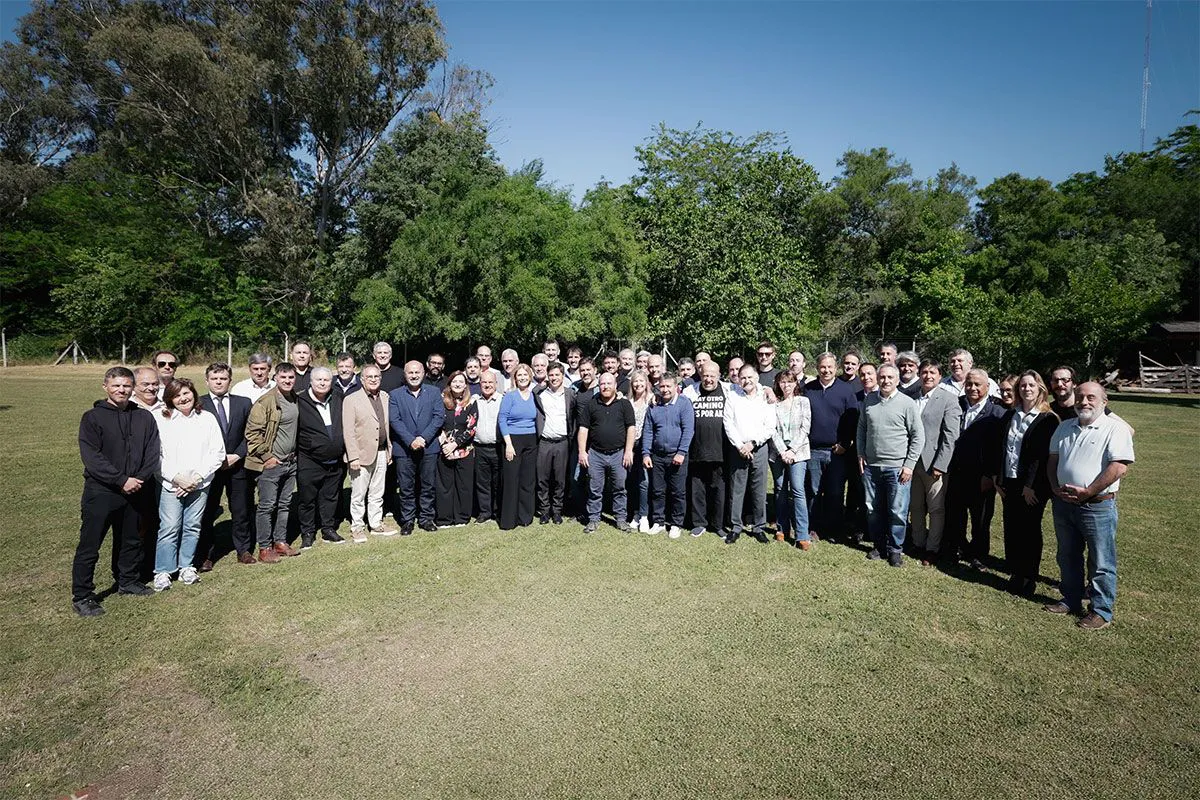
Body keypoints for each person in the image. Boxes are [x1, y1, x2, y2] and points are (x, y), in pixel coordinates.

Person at [71, 367, 160, 616]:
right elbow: (92, 457)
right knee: (91, 544)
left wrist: (138, 478)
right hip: (102, 491)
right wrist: (121, 480)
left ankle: (127, 580)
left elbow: (152, 451)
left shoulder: (144, 417)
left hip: (136, 489)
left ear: (133, 388)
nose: (121, 390)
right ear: (105, 387)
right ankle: (82, 595)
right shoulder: (92, 418)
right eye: (116, 385)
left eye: (126, 386)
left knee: (130, 539)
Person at [1045, 382, 1134, 630]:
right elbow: (1052, 460)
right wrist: (1054, 487)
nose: (1084, 402)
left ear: (1104, 402)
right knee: (1067, 555)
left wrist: (1088, 491)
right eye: (1080, 397)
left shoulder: (1115, 429)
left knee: (1101, 561)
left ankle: (1100, 611)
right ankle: (1070, 600)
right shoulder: (1064, 427)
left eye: (1091, 397)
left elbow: (1119, 467)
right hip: (1064, 503)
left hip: (1097, 506)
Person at [152, 378, 226, 591]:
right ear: (169, 399)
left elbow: (217, 452)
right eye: (177, 395)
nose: (183, 398)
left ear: (194, 393)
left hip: (199, 484)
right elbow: (156, 456)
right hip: (170, 484)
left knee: (192, 526)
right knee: (170, 527)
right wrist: (177, 478)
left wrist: (197, 478)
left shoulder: (207, 418)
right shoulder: (161, 419)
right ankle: (163, 570)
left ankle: (186, 566)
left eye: (186, 393)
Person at [993, 370, 1058, 597]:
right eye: (1022, 385)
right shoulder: (1011, 415)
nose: (1026, 389)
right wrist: (998, 479)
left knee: (1029, 530)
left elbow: (1041, 457)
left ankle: (1029, 575)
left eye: (1031, 385)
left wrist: (1030, 486)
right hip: (1009, 481)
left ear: (1040, 388)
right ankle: (1016, 573)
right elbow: (1001, 448)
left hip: (1032, 486)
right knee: (1011, 527)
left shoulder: (1047, 419)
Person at [857, 364, 923, 566]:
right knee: (872, 509)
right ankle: (879, 546)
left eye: (890, 377)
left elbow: (918, 436)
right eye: (882, 377)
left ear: (897, 379)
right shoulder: (869, 400)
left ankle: (895, 549)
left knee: (897, 511)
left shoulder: (907, 403)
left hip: (897, 468)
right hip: (871, 467)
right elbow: (861, 429)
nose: (885, 381)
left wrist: (909, 465)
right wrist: (860, 453)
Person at [943, 368, 1006, 569]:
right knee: (955, 514)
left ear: (987, 386)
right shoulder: (956, 404)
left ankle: (978, 555)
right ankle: (957, 548)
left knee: (980, 518)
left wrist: (990, 475)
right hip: (957, 471)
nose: (972, 388)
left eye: (977, 384)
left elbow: (999, 449)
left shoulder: (998, 413)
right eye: (969, 384)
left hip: (982, 476)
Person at [197, 362, 255, 569]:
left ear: (230, 381)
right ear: (207, 381)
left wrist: (237, 455)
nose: (219, 382)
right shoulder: (198, 404)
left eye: (223, 379)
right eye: (214, 379)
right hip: (210, 468)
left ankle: (243, 550)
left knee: (241, 510)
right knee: (207, 511)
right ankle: (206, 554)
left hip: (237, 466)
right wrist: (216, 459)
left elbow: (251, 433)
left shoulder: (243, 403)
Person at [245, 363, 302, 563]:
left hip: (290, 461)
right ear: (275, 378)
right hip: (272, 463)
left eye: (291, 377)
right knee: (267, 506)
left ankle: (280, 541)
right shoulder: (265, 402)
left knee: (285, 504)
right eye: (283, 377)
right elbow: (252, 434)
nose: (287, 381)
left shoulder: (295, 398)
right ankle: (264, 547)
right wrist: (267, 457)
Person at [910, 360, 961, 566]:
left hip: (934, 465)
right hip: (912, 463)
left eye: (933, 372)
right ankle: (917, 543)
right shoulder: (912, 397)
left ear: (940, 376)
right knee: (915, 506)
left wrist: (941, 464)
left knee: (936, 508)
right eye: (924, 372)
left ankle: (932, 548)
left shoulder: (949, 399)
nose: (928, 376)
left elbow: (951, 435)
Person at [805, 353, 858, 542]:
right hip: (813, 450)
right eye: (823, 367)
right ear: (817, 368)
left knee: (835, 492)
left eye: (830, 367)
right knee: (813, 491)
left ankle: (834, 528)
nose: (826, 370)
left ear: (836, 368)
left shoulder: (846, 390)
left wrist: (845, 443)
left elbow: (852, 419)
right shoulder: (808, 389)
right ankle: (814, 527)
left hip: (837, 451)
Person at [723, 364, 775, 544]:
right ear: (738, 379)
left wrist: (752, 444)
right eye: (743, 377)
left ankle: (759, 527)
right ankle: (736, 527)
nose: (746, 380)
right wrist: (740, 446)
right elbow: (728, 423)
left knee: (759, 489)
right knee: (736, 490)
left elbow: (770, 426)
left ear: (757, 377)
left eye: (750, 377)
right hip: (738, 449)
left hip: (759, 447)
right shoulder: (732, 396)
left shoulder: (765, 396)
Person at [577, 372, 636, 534]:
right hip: (596, 454)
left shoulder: (624, 404)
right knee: (594, 489)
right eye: (603, 384)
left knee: (620, 488)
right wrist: (582, 451)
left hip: (619, 454)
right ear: (599, 385)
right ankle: (593, 519)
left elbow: (631, 428)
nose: (606, 386)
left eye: (609, 383)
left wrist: (628, 451)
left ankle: (621, 519)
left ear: (615, 385)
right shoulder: (592, 404)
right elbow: (583, 429)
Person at [390, 360, 444, 534]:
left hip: (429, 447)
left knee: (428, 485)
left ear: (423, 373)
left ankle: (426, 518)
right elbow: (394, 420)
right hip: (404, 449)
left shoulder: (434, 392)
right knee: (406, 487)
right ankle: (407, 520)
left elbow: (438, 417)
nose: (414, 376)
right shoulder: (395, 395)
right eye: (410, 373)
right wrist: (410, 440)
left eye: (417, 372)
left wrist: (423, 438)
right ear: (405, 375)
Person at [296, 367, 346, 549]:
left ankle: (328, 529)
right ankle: (308, 532)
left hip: (335, 460)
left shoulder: (338, 397)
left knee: (330, 496)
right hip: (309, 459)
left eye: (326, 380)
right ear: (311, 381)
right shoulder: (300, 401)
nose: (323, 383)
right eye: (319, 380)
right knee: (307, 499)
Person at [342, 363, 393, 542]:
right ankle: (357, 527)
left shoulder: (385, 397)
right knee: (358, 494)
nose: (373, 380)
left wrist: (389, 450)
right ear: (362, 379)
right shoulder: (351, 399)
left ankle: (376, 524)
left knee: (377, 492)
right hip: (361, 455)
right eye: (369, 377)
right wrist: (353, 457)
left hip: (381, 451)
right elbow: (348, 431)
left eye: (376, 376)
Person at [641, 374, 693, 539]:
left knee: (678, 492)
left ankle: (676, 523)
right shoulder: (654, 406)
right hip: (657, 455)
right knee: (657, 491)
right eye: (662, 386)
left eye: (668, 386)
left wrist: (681, 452)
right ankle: (658, 521)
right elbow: (648, 431)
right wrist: (646, 453)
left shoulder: (684, 404)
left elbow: (688, 430)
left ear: (676, 386)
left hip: (677, 455)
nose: (665, 390)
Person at [685, 361, 729, 538]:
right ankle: (699, 523)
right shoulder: (691, 391)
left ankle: (718, 524)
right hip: (696, 450)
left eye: (712, 376)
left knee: (719, 490)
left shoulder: (729, 390)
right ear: (700, 375)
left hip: (721, 451)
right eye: (705, 376)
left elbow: (752, 388)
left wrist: (767, 390)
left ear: (719, 376)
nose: (708, 379)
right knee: (697, 489)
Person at [768, 371, 811, 549]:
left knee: (798, 490)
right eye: (783, 382)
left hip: (798, 453)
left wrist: (792, 450)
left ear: (795, 384)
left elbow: (805, 428)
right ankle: (782, 528)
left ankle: (802, 534)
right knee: (780, 490)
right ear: (778, 384)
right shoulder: (773, 405)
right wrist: (783, 451)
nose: (786, 385)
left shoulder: (803, 402)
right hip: (778, 453)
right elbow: (771, 430)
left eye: (790, 382)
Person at [534, 361, 576, 525]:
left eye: (557, 375)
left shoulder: (570, 394)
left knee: (560, 479)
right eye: (551, 375)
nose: (554, 378)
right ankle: (544, 511)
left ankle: (557, 511)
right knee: (542, 478)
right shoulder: (539, 393)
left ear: (562, 376)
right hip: (544, 442)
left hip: (562, 442)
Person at [498, 363, 538, 529]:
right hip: (512, 440)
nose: (522, 378)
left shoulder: (535, 395)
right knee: (511, 480)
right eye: (519, 375)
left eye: (525, 375)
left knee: (527, 480)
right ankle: (509, 519)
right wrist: (508, 444)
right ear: (515, 378)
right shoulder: (510, 396)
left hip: (531, 440)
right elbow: (502, 419)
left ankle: (525, 517)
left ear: (530, 377)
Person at [436, 371, 477, 527]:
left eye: (461, 382)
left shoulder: (471, 402)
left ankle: (462, 517)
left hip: (464, 450)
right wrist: (444, 444)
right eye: (454, 381)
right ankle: (444, 518)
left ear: (465, 385)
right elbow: (436, 422)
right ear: (450, 384)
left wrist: (455, 444)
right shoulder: (441, 400)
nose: (458, 384)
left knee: (463, 485)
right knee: (444, 485)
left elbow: (472, 427)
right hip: (444, 449)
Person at [625, 370, 654, 531]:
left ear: (646, 383)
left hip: (646, 446)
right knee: (631, 481)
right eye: (635, 381)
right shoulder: (627, 402)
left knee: (644, 482)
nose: (638, 384)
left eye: (641, 381)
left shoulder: (652, 400)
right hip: (630, 446)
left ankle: (644, 516)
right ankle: (635, 513)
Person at [473, 371, 503, 524]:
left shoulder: (502, 400)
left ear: (496, 384)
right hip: (479, 447)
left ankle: (497, 511)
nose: (487, 385)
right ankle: (485, 512)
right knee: (482, 482)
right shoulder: (474, 400)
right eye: (484, 382)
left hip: (497, 447)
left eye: (490, 382)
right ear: (480, 384)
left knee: (498, 482)